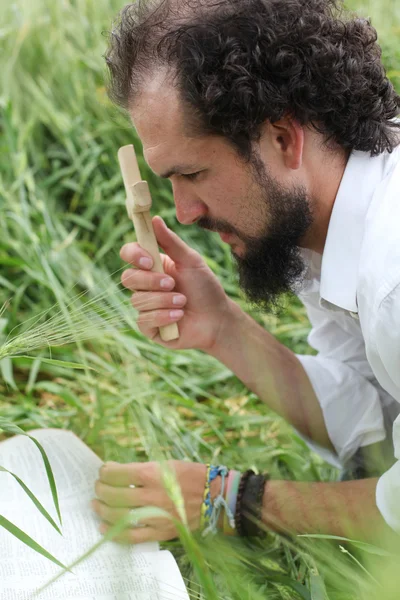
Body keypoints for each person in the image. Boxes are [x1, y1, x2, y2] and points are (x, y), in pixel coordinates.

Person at [91, 0, 400, 544]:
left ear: (282, 138)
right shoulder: (320, 219)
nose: (183, 212)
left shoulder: (390, 276)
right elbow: (377, 421)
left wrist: (232, 500)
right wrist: (223, 328)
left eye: (193, 173)